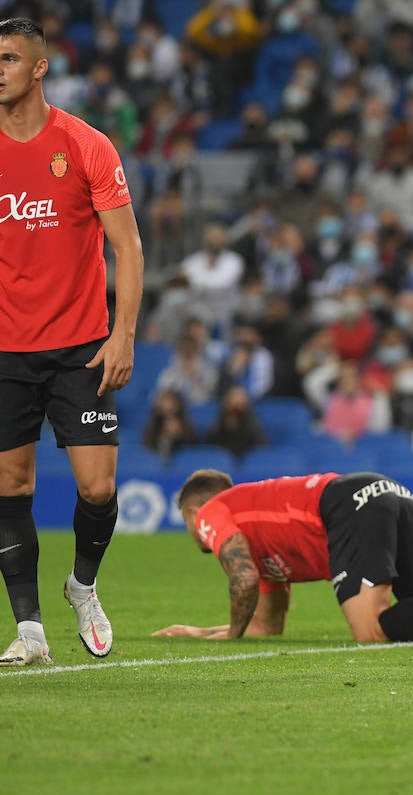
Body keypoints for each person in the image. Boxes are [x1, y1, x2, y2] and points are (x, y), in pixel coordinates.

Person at [0, 18, 144, 667]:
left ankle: (82, 585)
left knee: (97, 487)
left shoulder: (85, 145)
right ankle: (29, 630)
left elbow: (128, 247)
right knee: (10, 484)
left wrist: (124, 333)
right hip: (7, 351)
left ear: (39, 68)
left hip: (81, 347)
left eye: (9, 57)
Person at [156, 469, 413, 643]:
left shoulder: (211, 511)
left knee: (371, 632)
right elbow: (267, 626)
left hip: (348, 504)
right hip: (390, 491)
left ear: (193, 512)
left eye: (187, 520)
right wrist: (202, 632)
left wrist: (231, 635)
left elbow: (244, 577)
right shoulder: (257, 530)